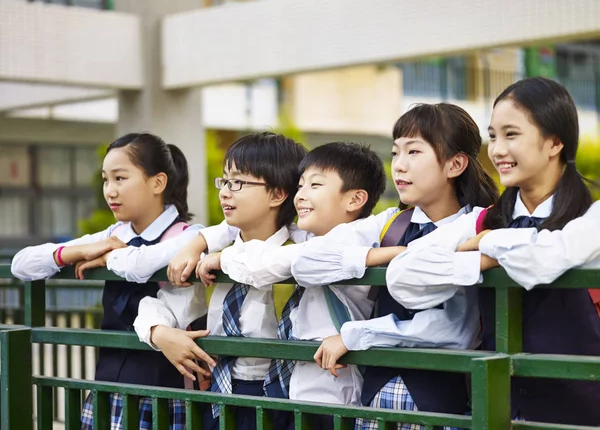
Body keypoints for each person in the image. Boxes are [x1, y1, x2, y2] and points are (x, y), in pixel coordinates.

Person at [387, 78, 600, 426]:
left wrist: (487, 243)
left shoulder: (592, 217)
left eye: (511, 134)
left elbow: (544, 260)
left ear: (554, 142)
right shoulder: (485, 218)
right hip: (500, 413)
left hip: (581, 415)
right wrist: (480, 262)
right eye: (493, 135)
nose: (497, 149)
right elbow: (402, 274)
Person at [291, 104, 498, 430]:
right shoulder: (391, 224)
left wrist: (357, 335)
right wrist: (382, 255)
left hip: (441, 404)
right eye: (396, 152)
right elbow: (303, 262)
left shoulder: (476, 227)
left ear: (455, 164)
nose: (399, 165)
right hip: (375, 400)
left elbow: (455, 331)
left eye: (413, 152)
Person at [11, 132, 201, 430]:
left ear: (158, 182)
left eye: (120, 178)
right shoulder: (114, 234)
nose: (110, 191)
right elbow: (21, 264)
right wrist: (77, 251)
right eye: (105, 180)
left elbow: (141, 264)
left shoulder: (189, 237)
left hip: (164, 391)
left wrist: (108, 257)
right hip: (107, 386)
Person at [196, 141, 387, 430]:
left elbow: (271, 263)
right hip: (293, 390)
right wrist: (201, 242)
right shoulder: (308, 241)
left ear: (354, 199)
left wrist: (222, 257)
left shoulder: (347, 237)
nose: (301, 195)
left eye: (315, 185)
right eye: (300, 185)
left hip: (328, 395)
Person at [133, 132, 308, 430]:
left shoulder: (300, 251)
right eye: (224, 181)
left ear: (278, 194)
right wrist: (159, 332)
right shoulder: (209, 256)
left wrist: (215, 252)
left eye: (238, 182)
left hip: (285, 396)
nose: (225, 192)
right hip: (218, 392)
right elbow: (161, 305)